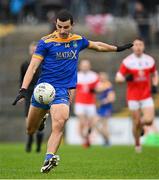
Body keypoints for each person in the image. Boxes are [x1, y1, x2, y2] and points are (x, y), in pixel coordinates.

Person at [12, 9, 133, 173]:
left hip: (62, 90)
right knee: (30, 130)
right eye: (60, 26)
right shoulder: (45, 42)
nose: (62, 30)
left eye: (66, 27)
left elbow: (97, 45)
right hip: (43, 89)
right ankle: (42, 119)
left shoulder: (78, 40)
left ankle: (49, 158)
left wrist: (116, 48)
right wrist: (24, 89)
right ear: (56, 24)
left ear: (72, 25)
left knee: (60, 123)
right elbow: (33, 66)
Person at [115, 38, 158, 153]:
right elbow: (118, 78)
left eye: (140, 44)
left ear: (143, 47)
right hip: (133, 96)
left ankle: (142, 124)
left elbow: (155, 74)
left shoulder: (149, 60)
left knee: (148, 120)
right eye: (136, 45)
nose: (138, 47)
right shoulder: (127, 61)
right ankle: (137, 144)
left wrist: (154, 85)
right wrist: (125, 78)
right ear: (133, 48)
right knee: (136, 122)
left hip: (146, 95)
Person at [20, 41, 47, 153]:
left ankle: (39, 147)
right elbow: (22, 79)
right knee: (29, 121)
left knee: (40, 121)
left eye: (35, 50)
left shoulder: (45, 63)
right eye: (32, 50)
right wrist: (22, 93)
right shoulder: (25, 64)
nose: (33, 52)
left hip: (41, 94)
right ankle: (30, 141)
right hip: (29, 94)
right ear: (29, 51)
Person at [74, 59, 98, 148]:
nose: (85, 67)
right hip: (80, 102)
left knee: (91, 123)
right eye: (83, 65)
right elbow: (73, 89)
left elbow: (99, 88)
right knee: (82, 122)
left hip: (90, 103)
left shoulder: (94, 76)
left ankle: (87, 136)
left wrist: (95, 90)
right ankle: (85, 139)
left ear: (89, 66)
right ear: (80, 66)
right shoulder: (76, 76)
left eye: (86, 65)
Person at [95, 72, 115, 146]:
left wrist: (102, 102)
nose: (101, 78)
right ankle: (106, 140)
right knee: (95, 124)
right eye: (100, 77)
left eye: (102, 77)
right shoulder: (99, 85)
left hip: (106, 108)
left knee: (104, 126)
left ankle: (107, 141)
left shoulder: (108, 86)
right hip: (100, 108)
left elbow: (111, 98)